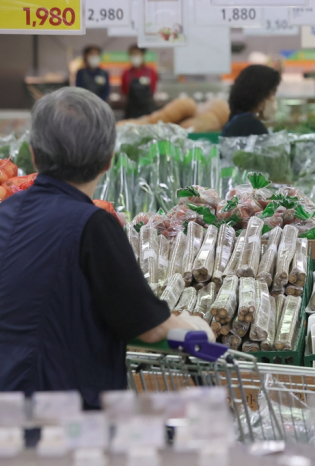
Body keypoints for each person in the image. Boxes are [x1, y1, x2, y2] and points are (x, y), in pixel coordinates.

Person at [0, 88, 213, 410]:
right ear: (108, 160)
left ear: (33, 153)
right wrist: (196, 328)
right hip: (59, 419)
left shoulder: (7, 211)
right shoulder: (92, 225)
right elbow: (150, 325)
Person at [222, 64, 281, 138]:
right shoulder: (250, 125)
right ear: (259, 96)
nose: (273, 99)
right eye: (272, 94)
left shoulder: (237, 122)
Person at [120, 44, 158, 119]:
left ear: (143, 55)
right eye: (132, 54)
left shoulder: (151, 72)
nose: (135, 57)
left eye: (137, 54)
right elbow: (124, 91)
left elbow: (153, 89)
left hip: (147, 110)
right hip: (132, 111)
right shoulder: (126, 73)